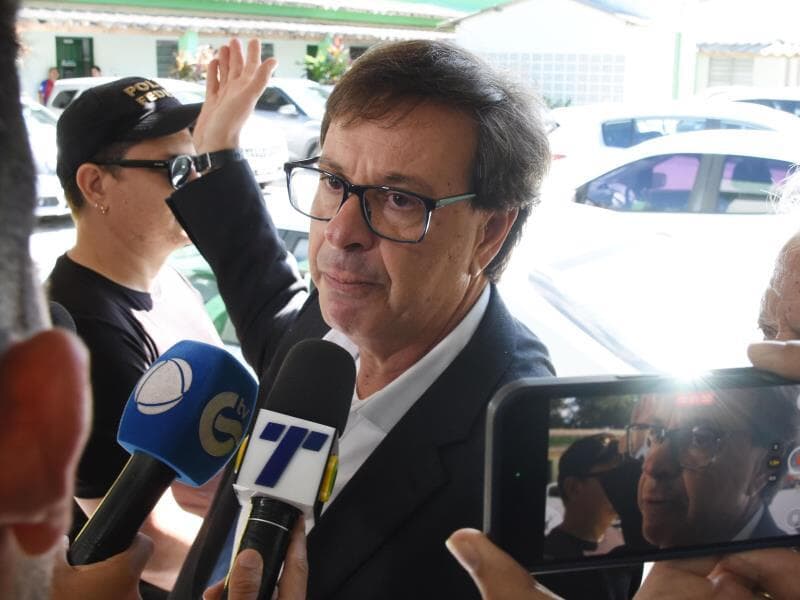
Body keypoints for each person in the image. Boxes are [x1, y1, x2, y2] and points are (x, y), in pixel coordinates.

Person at [164, 37, 587, 599]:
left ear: (488, 233)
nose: (340, 232)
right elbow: (260, 288)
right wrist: (217, 152)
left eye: (398, 199)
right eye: (333, 181)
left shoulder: (526, 459)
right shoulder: (326, 332)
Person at [46, 76, 226, 595]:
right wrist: (270, 569)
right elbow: (148, 539)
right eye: (174, 169)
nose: (196, 182)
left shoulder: (171, 281)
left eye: (197, 164)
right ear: (96, 185)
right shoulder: (78, 332)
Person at [630, 385, 798, 548]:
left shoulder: (791, 564)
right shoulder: (627, 560)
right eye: (655, 432)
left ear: (763, 469)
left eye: (700, 438)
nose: (651, 466)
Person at [544, 433, 621, 558]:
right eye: (614, 478)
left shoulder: (621, 540)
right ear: (573, 488)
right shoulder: (550, 555)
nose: (623, 487)